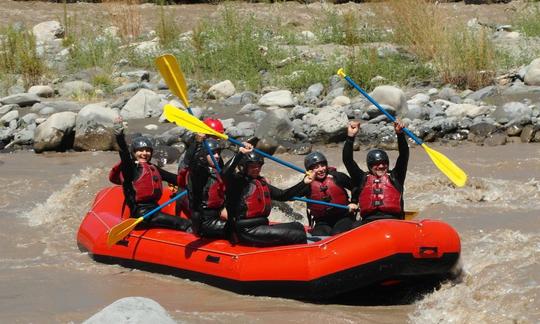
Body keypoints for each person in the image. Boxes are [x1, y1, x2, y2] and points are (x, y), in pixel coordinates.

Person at [109, 119, 192, 231]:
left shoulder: (152, 168)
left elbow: (175, 179)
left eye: (147, 150)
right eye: (140, 150)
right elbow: (124, 154)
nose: (144, 153)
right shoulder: (130, 169)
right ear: (133, 153)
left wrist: (193, 182)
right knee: (184, 223)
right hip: (141, 215)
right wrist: (119, 135)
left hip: (155, 211)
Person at [222, 145, 309, 247]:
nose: (257, 169)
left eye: (258, 165)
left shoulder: (260, 182)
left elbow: (283, 195)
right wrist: (240, 153)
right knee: (298, 235)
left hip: (260, 225)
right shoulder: (237, 182)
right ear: (243, 167)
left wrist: (304, 182)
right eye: (252, 166)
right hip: (246, 230)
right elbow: (224, 173)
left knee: (298, 226)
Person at [343, 120, 409, 223]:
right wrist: (350, 137)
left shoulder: (396, 177)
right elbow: (348, 160)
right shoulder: (362, 178)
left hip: (393, 221)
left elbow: (404, 156)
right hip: (368, 223)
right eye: (377, 164)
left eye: (384, 163)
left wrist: (400, 134)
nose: (381, 166)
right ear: (370, 166)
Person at [295, 152, 356, 236]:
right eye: (316, 167)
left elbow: (356, 188)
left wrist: (354, 202)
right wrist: (303, 183)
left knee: (337, 233)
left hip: (343, 217)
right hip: (322, 222)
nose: (321, 169)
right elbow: (290, 196)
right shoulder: (307, 184)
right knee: (318, 236)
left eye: (323, 165)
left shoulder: (337, 177)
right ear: (310, 170)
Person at [176, 118, 225, 218]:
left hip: (209, 189)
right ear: (204, 136)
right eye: (214, 137)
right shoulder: (191, 154)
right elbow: (184, 172)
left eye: (218, 138)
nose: (216, 142)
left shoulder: (216, 156)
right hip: (191, 192)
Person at [186, 138, 228, 238]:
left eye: (218, 153)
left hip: (218, 214)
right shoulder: (198, 174)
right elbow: (190, 161)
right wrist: (197, 143)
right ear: (203, 155)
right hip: (203, 221)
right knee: (237, 228)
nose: (217, 156)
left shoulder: (217, 171)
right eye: (213, 153)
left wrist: (241, 152)